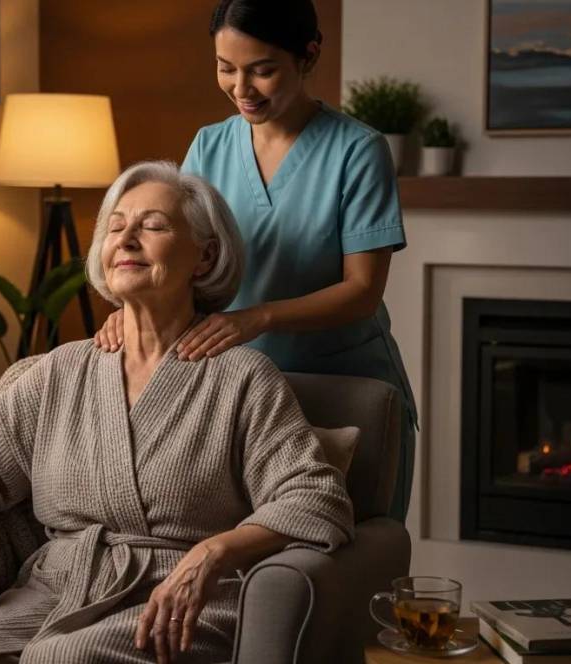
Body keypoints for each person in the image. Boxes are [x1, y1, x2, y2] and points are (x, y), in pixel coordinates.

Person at [0, 161, 354, 663]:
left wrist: (213, 553)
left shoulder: (242, 377)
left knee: (61, 660)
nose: (127, 239)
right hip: (59, 589)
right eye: (116, 226)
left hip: (179, 601)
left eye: (153, 226)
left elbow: (315, 497)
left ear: (205, 257)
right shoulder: (61, 370)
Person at [95, 0, 418, 522]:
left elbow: (362, 291)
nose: (241, 88)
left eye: (262, 70)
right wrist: (134, 313)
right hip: (236, 390)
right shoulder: (209, 145)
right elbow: (180, 259)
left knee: (343, 561)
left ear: (308, 55)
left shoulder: (359, 151)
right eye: (226, 69)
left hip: (344, 389)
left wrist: (256, 318)